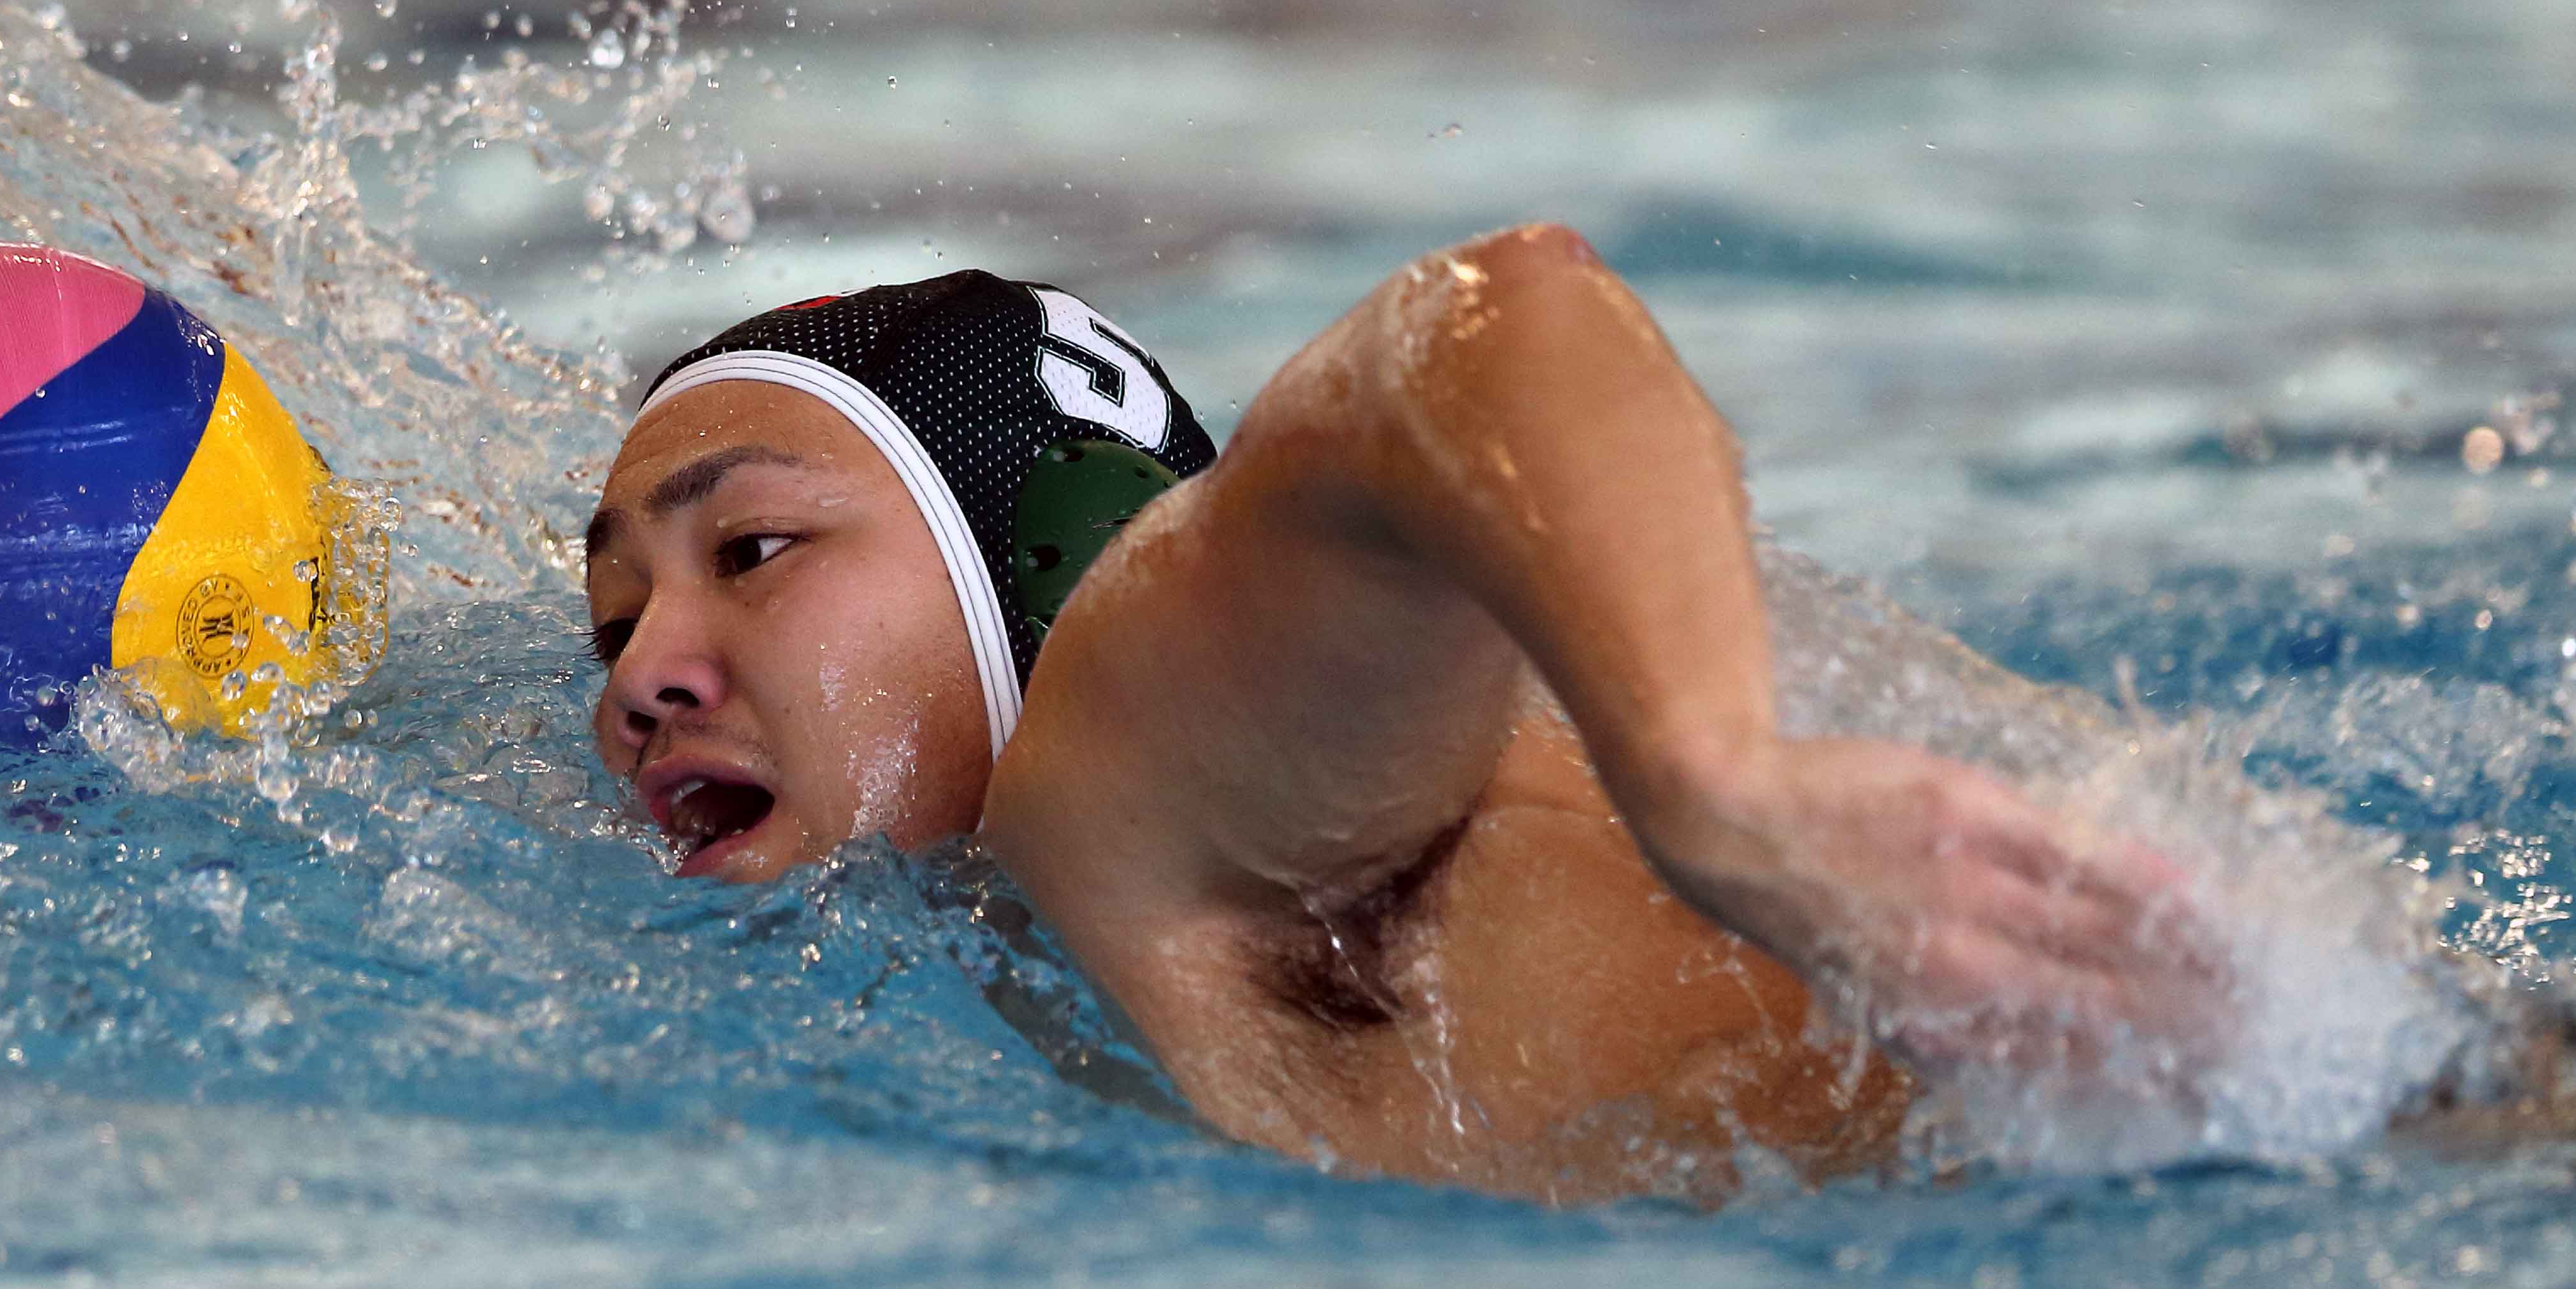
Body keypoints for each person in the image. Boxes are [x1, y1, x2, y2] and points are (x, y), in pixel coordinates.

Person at [580, 226, 2225, 1201]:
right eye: (615, 621)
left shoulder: (1115, 761)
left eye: (756, 551)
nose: (649, 674)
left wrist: (1715, 781)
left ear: (1048, 567)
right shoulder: (1117, 908)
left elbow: (1509, 313)